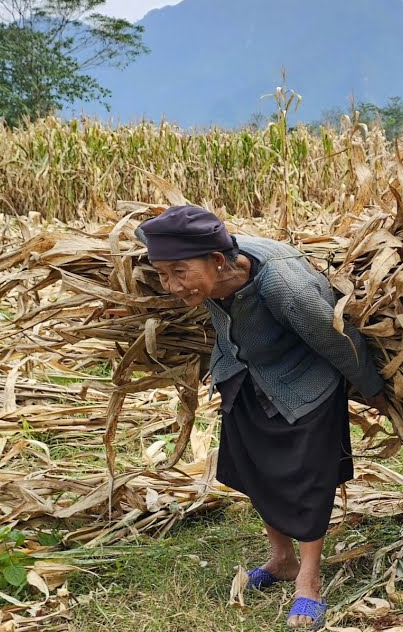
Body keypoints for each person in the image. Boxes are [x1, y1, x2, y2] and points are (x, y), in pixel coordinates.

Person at [136, 205, 388, 630]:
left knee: (306, 481)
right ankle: (282, 560)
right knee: (256, 472)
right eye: (162, 274)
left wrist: (375, 392)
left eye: (179, 272)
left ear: (218, 261)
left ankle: (308, 583)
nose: (172, 286)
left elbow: (337, 340)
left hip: (304, 387)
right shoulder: (213, 271)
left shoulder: (284, 285)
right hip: (243, 378)